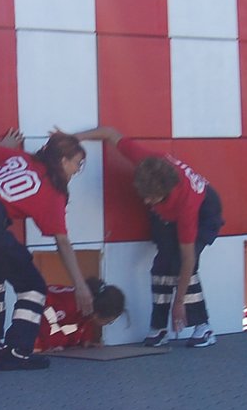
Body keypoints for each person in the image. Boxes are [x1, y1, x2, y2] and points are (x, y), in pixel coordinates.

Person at [74, 126, 225, 347]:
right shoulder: (147, 161)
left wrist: (179, 303)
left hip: (205, 210)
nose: (145, 202)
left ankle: (203, 327)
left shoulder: (187, 207)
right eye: (143, 196)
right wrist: (75, 138)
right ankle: (159, 328)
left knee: (181, 265)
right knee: (161, 265)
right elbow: (109, 133)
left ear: (164, 194)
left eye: (151, 198)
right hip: (167, 210)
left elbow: (187, 258)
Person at [0, 130, 93, 370]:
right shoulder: (53, 192)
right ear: (63, 161)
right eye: (77, 163)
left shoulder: (19, 158)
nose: (77, 170)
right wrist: (80, 285)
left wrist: (5, 145)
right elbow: (62, 242)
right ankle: (17, 351)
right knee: (33, 286)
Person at [33, 279, 128, 351]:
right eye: (108, 321)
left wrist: (86, 340)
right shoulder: (67, 305)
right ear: (96, 314)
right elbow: (44, 315)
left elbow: (82, 324)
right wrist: (53, 344)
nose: (108, 324)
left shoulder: (88, 308)